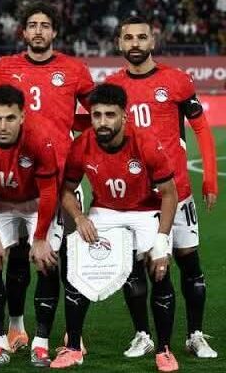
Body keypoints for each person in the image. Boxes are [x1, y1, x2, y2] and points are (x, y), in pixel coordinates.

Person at [106, 16, 218, 359]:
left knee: (189, 265)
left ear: (152, 41)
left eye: (142, 37)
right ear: (119, 43)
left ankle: (195, 335)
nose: (135, 43)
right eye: (128, 38)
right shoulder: (112, 86)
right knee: (140, 270)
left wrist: (210, 178)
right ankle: (143, 335)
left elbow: (201, 129)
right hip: (136, 199)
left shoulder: (176, 80)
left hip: (177, 192)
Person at [0, 1, 94, 364]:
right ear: (23, 32)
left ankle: (72, 331)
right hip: (17, 179)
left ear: (54, 32)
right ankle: (16, 326)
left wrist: (69, 131)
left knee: (67, 257)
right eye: (32, 25)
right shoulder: (6, 67)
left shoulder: (74, 69)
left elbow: (96, 112)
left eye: (44, 25)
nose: (38, 31)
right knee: (19, 255)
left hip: (63, 179)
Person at [54, 83, 179, 372]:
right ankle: (73, 347)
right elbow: (67, 190)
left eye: (110, 115)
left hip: (145, 211)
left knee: (159, 270)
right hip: (105, 211)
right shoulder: (82, 144)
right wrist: (80, 217)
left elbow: (169, 193)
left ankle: (164, 350)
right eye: (96, 115)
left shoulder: (145, 143)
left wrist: (161, 240)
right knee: (77, 267)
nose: (102, 122)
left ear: (124, 116)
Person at [0, 85, 62, 366]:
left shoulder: (40, 138)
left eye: (10, 118)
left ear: (22, 117)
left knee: (47, 261)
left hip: (35, 202)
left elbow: (48, 191)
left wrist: (40, 239)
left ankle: (41, 344)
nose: (2, 126)